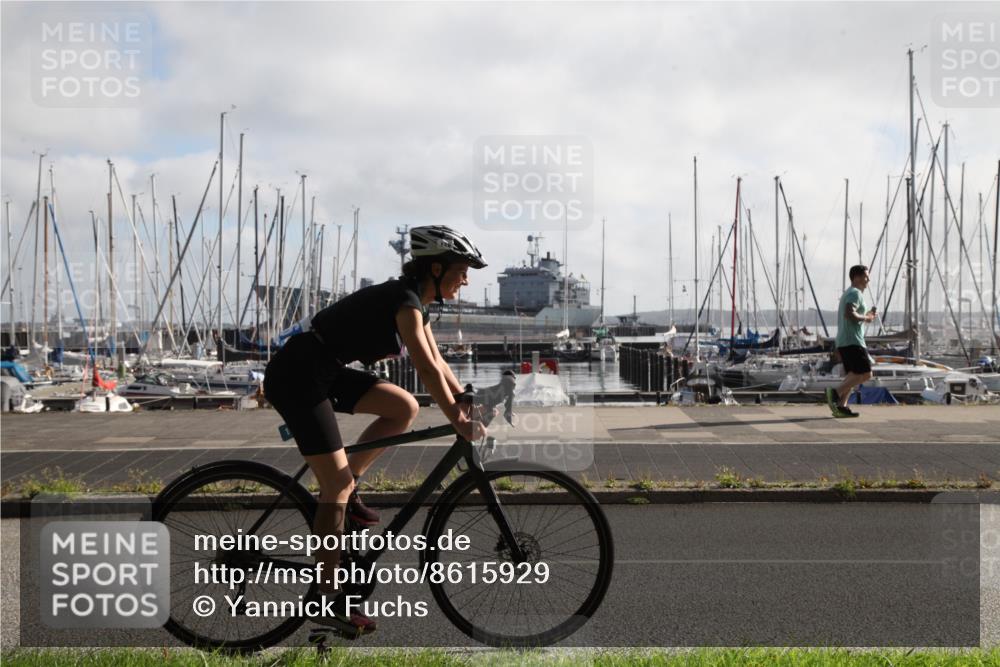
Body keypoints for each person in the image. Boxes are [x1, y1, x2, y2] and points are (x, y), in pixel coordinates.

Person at [263, 225, 489, 637]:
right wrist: (457, 419)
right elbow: (422, 366)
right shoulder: (404, 302)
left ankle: (348, 489)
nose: (467, 278)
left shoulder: (418, 303)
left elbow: (437, 364)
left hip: (323, 369)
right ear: (436, 268)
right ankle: (326, 598)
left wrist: (464, 400)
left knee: (403, 406)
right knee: (335, 487)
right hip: (297, 374)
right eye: (462, 270)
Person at [826, 265, 877, 417]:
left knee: (853, 375)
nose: (868, 280)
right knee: (866, 374)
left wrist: (866, 315)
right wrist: (867, 318)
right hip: (852, 340)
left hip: (844, 340)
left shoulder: (849, 293)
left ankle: (841, 406)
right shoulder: (855, 293)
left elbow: (853, 314)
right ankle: (834, 393)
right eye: (866, 276)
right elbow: (850, 314)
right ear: (856, 277)